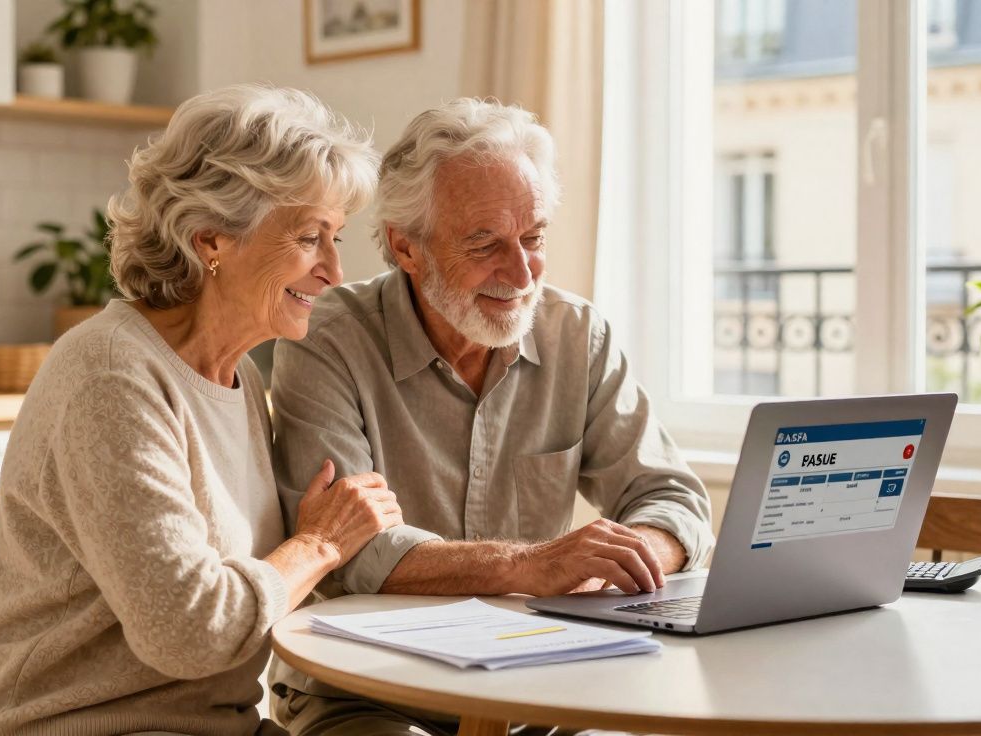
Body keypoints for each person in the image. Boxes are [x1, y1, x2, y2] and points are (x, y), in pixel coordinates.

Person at [0, 84, 400, 736]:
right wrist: (319, 544)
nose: (333, 270)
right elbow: (191, 633)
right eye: (309, 237)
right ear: (211, 240)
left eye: (336, 238)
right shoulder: (111, 377)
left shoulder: (239, 377)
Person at [268, 98, 715, 735]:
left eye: (534, 239)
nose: (522, 272)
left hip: (541, 691)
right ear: (405, 247)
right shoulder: (327, 339)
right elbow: (350, 549)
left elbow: (673, 499)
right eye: (485, 244)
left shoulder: (576, 334)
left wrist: (629, 555)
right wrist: (534, 564)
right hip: (366, 690)